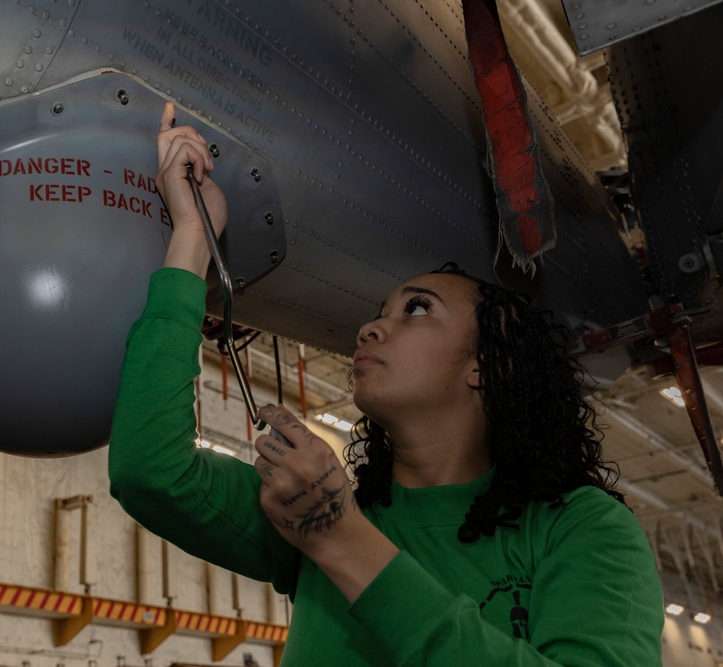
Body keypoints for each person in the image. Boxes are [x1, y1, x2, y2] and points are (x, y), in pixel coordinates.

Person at [108, 102, 664, 665]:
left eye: (417, 310)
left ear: (490, 368)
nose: (371, 327)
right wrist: (193, 239)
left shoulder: (582, 528)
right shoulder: (310, 508)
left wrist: (338, 538)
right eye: (381, 310)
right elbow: (150, 472)